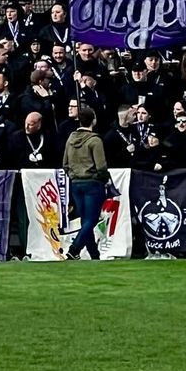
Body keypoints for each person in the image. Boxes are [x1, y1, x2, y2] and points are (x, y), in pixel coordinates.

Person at [62, 105, 110, 260]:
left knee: (85, 220)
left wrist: (73, 175)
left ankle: (94, 254)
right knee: (91, 219)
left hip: (76, 183)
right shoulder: (95, 140)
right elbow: (101, 166)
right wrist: (103, 178)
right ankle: (74, 249)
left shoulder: (70, 139)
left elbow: (65, 164)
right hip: (92, 183)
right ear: (93, 120)